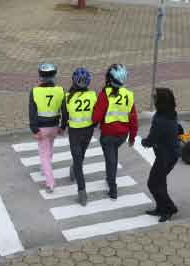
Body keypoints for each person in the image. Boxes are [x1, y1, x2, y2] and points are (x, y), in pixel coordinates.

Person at [92, 64, 138, 200]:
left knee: (111, 160)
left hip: (108, 135)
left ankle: (113, 187)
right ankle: (109, 178)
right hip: (122, 136)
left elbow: (96, 116)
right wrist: (132, 137)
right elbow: (133, 119)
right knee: (113, 156)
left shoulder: (104, 94)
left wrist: (92, 122)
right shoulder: (129, 95)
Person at [142, 87, 180, 222]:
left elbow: (152, 138)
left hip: (166, 156)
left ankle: (169, 208)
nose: (153, 100)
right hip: (168, 154)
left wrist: (144, 142)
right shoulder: (170, 113)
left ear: (161, 102)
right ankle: (161, 207)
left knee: (154, 183)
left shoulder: (161, 120)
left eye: (155, 98)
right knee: (158, 183)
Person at [29, 63, 66, 193]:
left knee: (44, 155)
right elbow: (65, 111)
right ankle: (45, 169)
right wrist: (63, 126)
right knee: (49, 148)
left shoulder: (35, 91)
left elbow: (32, 113)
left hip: (42, 128)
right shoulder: (60, 90)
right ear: (54, 76)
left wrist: (34, 129)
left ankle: (50, 183)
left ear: (40, 76)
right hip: (54, 126)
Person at [62, 68, 97, 206]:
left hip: (75, 133)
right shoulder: (93, 95)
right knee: (79, 158)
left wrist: (62, 128)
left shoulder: (67, 97)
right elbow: (97, 113)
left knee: (78, 158)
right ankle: (82, 191)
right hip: (88, 131)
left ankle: (74, 169)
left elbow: (65, 116)